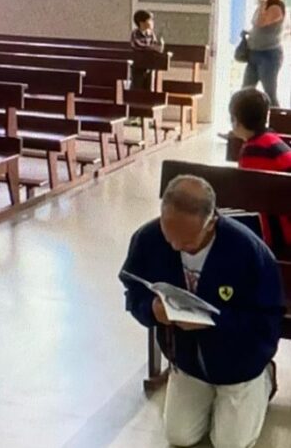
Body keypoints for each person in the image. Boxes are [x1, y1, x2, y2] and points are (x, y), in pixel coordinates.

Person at [119, 175, 284, 448]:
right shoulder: (148, 238)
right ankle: (205, 395)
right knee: (179, 436)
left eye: (186, 241)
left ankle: (263, 380)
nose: (175, 247)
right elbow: (133, 290)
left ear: (211, 222)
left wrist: (215, 323)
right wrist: (151, 310)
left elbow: (266, 324)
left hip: (239, 365)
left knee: (230, 444)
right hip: (187, 361)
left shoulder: (248, 251)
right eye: (168, 234)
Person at [230, 87, 291, 252]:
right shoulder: (272, 140)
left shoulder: (252, 151)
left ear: (236, 120)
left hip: (282, 235)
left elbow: (245, 197)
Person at [243, 0, 286, 107]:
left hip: (269, 54)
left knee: (269, 92)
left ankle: (278, 122)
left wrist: (262, 4)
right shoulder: (262, 5)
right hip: (254, 53)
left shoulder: (276, 6)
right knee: (246, 89)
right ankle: (246, 120)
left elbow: (262, 22)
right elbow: (255, 23)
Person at [129, 9, 165, 91]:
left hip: (149, 65)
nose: (152, 22)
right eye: (149, 20)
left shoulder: (151, 34)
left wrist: (160, 45)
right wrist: (151, 48)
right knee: (137, 87)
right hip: (138, 66)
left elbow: (156, 47)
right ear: (141, 23)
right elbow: (137, 45)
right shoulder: (135, 33)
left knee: (149, 87)